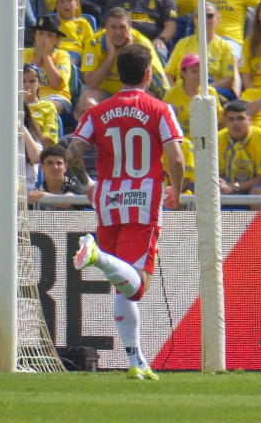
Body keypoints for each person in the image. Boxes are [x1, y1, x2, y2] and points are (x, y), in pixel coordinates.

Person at [68, 43, 185, 381]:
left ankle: (136, 361)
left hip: (107, 202)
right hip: (143, 202)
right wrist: (176, 188)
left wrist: (88, 184)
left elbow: (72, 153)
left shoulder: (97, 111)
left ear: (119, 75)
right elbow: (176, 158)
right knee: (137, 287)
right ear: (149, 74)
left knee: (122, 284)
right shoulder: (159, 109)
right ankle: (95, 255)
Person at [81, 7, 170, 97]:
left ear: (130, 26)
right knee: (89, 95)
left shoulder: (142, 44)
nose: (118, 32)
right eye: (113, 27)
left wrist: (129, 52)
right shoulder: (93, 43)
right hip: (104, 95)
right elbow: (91, 84)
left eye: (122, 27)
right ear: (106, 27)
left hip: (132, 95)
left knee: (150, 95)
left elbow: (159, 82)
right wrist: (111, 56)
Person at [165, 2, 240, 97]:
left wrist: (202, 90)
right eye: (201, 15)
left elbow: (228, 79)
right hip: (182, 92)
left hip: (212, 92)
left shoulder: (225, 46)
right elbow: (168, 73)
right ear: (195, 20)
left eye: (210, 15)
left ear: (217, 19)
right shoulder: (182, 44)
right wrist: (176, 91)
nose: (206, 19)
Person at [217, 99, 261, 209]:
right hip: (226, 189)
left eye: (240, 118)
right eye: (231, 119)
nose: (235, 123)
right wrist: (219, 182)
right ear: (225, 122)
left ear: (250, 120)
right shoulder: (217, 139)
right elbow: (211, 173)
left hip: (260, 188)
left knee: (256, 192)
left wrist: (234, 187)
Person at [162, 53, 224, 139]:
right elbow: (163, 123)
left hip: (206, 144)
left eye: (202, 71)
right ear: (183, 74)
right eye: (194, 71)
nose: (199, 75)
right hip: (182, 143)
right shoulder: (172, 94)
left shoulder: (210, 92)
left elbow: (220, 120)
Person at [25, 14, 73, 116]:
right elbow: (24, 81)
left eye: (50, 35)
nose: (44, 39)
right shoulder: (25, 53)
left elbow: (56, 84)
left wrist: (46, 56)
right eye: (41, 34)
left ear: (57, 40)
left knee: (48, 107)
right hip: (29, 95)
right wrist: (39, 55)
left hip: (56, 97)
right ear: (35, 36)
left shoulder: (62, 56)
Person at [28, 144, 87, 210]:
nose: (55, 167)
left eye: (59, 163)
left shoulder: (76, 185)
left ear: (66, 167)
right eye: (50, 163)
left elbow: (65, 202)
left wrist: (43, 195)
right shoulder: (37, 192)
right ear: (42, 167)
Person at [58, 91, 100, 179]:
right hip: (75, 187)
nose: (88, 116)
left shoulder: (109, 140)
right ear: (75, 115)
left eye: (93, 112)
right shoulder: (65, 142)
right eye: (84, 112)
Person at [53, 0, 95, 66]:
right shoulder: (54, 23)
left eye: (70, 0)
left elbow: (90, 44)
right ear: (57, 6)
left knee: (70, 62)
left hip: (75, 54)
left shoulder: (83, 23)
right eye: (61, 1)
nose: (66, 4)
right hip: (57, 53)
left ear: (77, 4)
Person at [23, 64, 60, 146]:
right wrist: (22, 104)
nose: (27, 85)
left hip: (39, 150)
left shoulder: (48, 106)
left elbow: (50, 139)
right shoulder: (12, 107)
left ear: (39, 83)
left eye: (32, 81)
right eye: (23, 81)